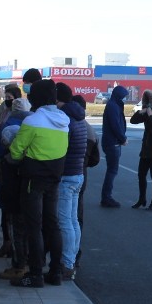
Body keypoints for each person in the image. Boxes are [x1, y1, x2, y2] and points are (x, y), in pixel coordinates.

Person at [7, 79, 70, 288]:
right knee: (52, 225)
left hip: (32, 180)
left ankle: (35, 275)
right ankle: (55, 272)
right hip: (54, 178)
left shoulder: (33, 121)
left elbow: (16, 151)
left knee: (33, 227)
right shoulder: (64, 121)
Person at [0, 97, 32, 280]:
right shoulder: (32, 128)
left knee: (18, 231)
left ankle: (19, 266)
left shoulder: (9, 161)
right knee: (30, 230)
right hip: (29, 196)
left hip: (15, 201)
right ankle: (28, 263)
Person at [55, 83, 87, 280]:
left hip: (66, 176)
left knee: (65, 222)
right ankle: (72, 260)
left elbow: (61, 148)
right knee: (73, 220)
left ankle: (66, 264)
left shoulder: (65, 120)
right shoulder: (80, 117)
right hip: (77, 174)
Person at [72, 95, 99, 268]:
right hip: (82, 176)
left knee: (65, 217)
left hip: (68, 174)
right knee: (77, 217)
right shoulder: (90, 129)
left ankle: (67, 255)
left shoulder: (68, 125)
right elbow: (95, 160)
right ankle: (76, 253)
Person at [100, 85, 129, 207]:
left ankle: (106, 197)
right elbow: (115, 125)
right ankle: (106, 197)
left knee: (112, 170)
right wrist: (122, 138)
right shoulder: (113, 106)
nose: (125, 99)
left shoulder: (115, 105)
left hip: (113, 142)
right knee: (112, 171)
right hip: (113, 143)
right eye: (124, 97)